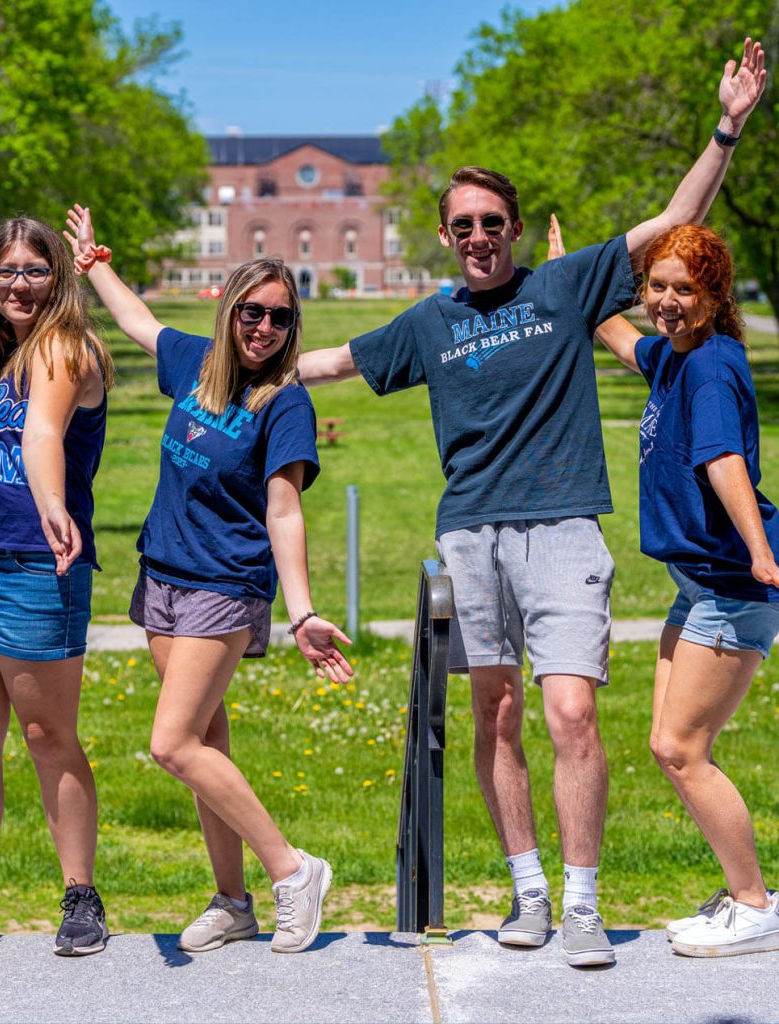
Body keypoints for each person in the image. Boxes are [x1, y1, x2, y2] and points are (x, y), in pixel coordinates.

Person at [297, 39, 767, 966]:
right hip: (469, 536)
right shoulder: (429, 323)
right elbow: (333, 363)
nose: (479, 236)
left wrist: (727, 125)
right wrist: (236, 371)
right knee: (496, 716)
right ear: (447, 234)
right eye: (463, 224)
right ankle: (530, 896)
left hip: (561, 532)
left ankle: (586, 906)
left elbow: (677, 215)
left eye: (493, 222)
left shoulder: (561, 285)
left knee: (572, 715)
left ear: (514, 230)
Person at [65, 204, 352, 953]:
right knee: (206, 741)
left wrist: (303, 611)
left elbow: (283, 509)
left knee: (171, 744)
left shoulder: (284, 401)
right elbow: (139, 323)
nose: (263, 328)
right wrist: (97, 268)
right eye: (251, 312)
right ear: (229, 312)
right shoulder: (195, 364)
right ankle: (233, 901)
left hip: (225, 585)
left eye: (280, 319)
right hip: (162, 576)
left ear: (293, 329)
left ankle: (294, 871)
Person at [574, 222, 779, 957]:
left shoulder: (711, 368)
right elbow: (622, 337)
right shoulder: (673, 356)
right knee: (671, 747)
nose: (664, 301)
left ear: (715, 294)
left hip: (731, 585)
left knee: (681, 746)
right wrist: (579, 273)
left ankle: (755, 905)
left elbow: (724, 459)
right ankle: (746, 893)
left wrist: (760, 552)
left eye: (683, 289)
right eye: (656, 286)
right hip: (696, 586)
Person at [0, 217, 113, 958]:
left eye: (36, 269)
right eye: (5, 271)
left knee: (47, 736)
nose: (20, 283)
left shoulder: (68, 349)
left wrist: (51, 506)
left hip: (39, 565)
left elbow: (41, 434)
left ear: (58, 278)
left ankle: (81, 896)